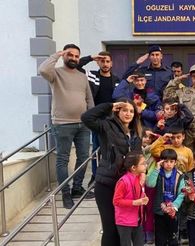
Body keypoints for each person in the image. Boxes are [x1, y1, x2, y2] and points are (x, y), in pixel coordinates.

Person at [38, 44, 95, 209]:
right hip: (62, 124)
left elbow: (89, 99)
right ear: (64, 56)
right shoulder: (55, 73)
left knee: (84, 157)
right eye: (70, 55)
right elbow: (42, 69)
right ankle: (65, 193)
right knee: (63, 159)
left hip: (83, 124)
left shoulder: (82, 76)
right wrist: (56, 55)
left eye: (77, 56)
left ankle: (77, 188)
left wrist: (90, 118)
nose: (74, 58)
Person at [81, 99, 142, 246]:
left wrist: (142, 176)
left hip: (126, 187)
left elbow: (138, 159)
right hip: (107, 185)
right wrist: (109, 106)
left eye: (131, 111)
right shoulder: (107, 126)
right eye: (125, 110)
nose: (128, 114)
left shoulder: (136, 133)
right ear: (118, 111)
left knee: (124, 230)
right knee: (110, 229)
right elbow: (86, 118)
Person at [77, 51, 121, 185]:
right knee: (96, 149)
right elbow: (77, 66)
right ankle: (95, 176)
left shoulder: (116, 80)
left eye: (107, 61)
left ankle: (112, 175)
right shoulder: (91, 76)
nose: (105, 64)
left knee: (113, 148)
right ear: (98, 62)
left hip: (112, 120)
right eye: (102, 61)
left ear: (111, 63)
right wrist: (90, 57)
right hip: (97, 120)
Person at [165, 64, 195, 151]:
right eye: (193, 76)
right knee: (187, 154)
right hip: (186, 128)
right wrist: (178, 79)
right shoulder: (184, 91)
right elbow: (167, 94)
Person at [146, 149, 185, 246]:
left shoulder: (179, 175)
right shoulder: (158, 173)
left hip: (173, 211)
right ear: (161, 162)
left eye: (171, 161)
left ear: (175, 162)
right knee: (160, 238)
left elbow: (182, 193)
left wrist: (175, 206)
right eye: (166, 161)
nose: (169, 164)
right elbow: (150, 184)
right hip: (159, 211)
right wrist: (157, 169)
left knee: (173, 237)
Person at [113, 150, 149, 246]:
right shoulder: (123, 181)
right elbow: (116, 201)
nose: (146, 165)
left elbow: (137, 194)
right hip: (125, 222)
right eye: (143, 164)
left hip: (137, 219)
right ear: (133, 167)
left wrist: (143, 197)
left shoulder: (139, 178)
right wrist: (135, 202)